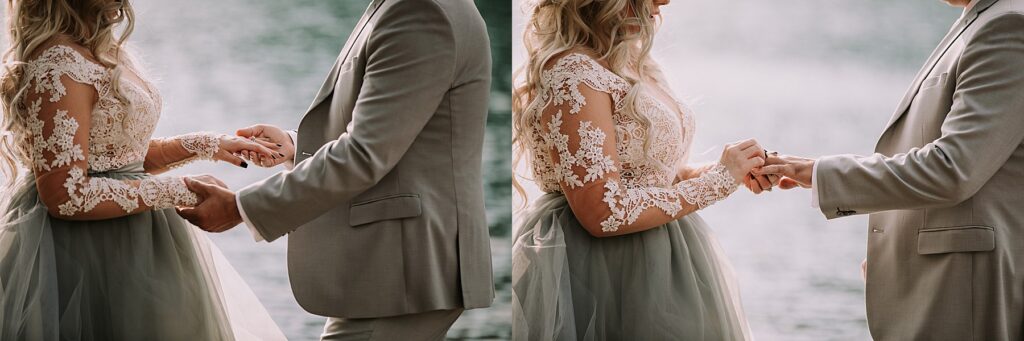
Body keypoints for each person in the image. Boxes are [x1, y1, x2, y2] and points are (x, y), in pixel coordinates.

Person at [177, 0, 496, 339]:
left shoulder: (419, 12)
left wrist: (239, 207)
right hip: (396, 267)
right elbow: (394, 135)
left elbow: (364, 154)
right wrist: (295, 147)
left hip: (402, 267)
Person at [0, 0, 285, 339]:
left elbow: (117, 158)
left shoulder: (102, 47)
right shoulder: (57, 62)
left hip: (139, 245)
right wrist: (180, 190)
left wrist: (207, 144)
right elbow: (66, 193)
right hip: (82, 256)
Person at [756, 0, 1024, 339]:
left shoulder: (1009, 26)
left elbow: (953, 169)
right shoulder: (983, 19)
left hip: (964, 290)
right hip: (937, 282)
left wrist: (818, 173)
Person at [509, 0, 775, 339]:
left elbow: (652, 175)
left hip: (668, 266)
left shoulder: (635, 60)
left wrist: (731, 170)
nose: (665, 1)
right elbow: (603, 210)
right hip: (601, 273)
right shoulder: (574, 73)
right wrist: (718, 182)